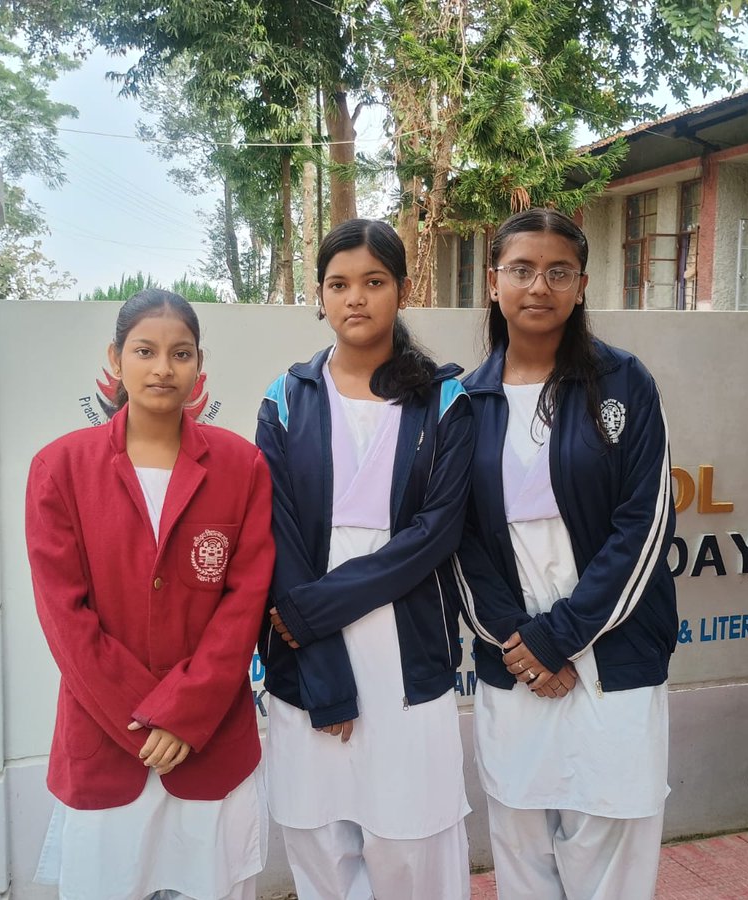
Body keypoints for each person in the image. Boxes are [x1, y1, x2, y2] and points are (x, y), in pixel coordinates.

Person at [456, 209, 677, 900]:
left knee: (609, 854)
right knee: (523, 854)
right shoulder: (465, 400)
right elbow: (456, 541)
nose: (538, 287)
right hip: (515, 665)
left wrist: (562, 639)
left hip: (609, 662)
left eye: (558, 272)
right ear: (494, 282)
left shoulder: (624, 383)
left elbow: (643, 529)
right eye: (521, 270)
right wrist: (520, 642)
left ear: (581, 285)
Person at [26, 289, 275, 900]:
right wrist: (149, 722)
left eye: (179, 353)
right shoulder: (60, 468)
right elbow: (65, 617)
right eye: (145, 350)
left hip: (211, 742)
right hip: (106, 744)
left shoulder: (242, 467)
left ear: (198, 368)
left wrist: (186, 716)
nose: (162, 367)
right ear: (115, 358)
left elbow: (243, 604)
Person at [257, 219, 474, 900]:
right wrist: (323, 675)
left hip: (407, 650)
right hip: (309, 654)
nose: (356, 298)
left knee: (414, 847)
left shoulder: (445, 401)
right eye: (339, 284)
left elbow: (435, 534)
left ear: (402, 291)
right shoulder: (286, 400)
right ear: (319, 296)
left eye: (374, 282)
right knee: (320, 846)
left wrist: (315, 608)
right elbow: (279, 539)